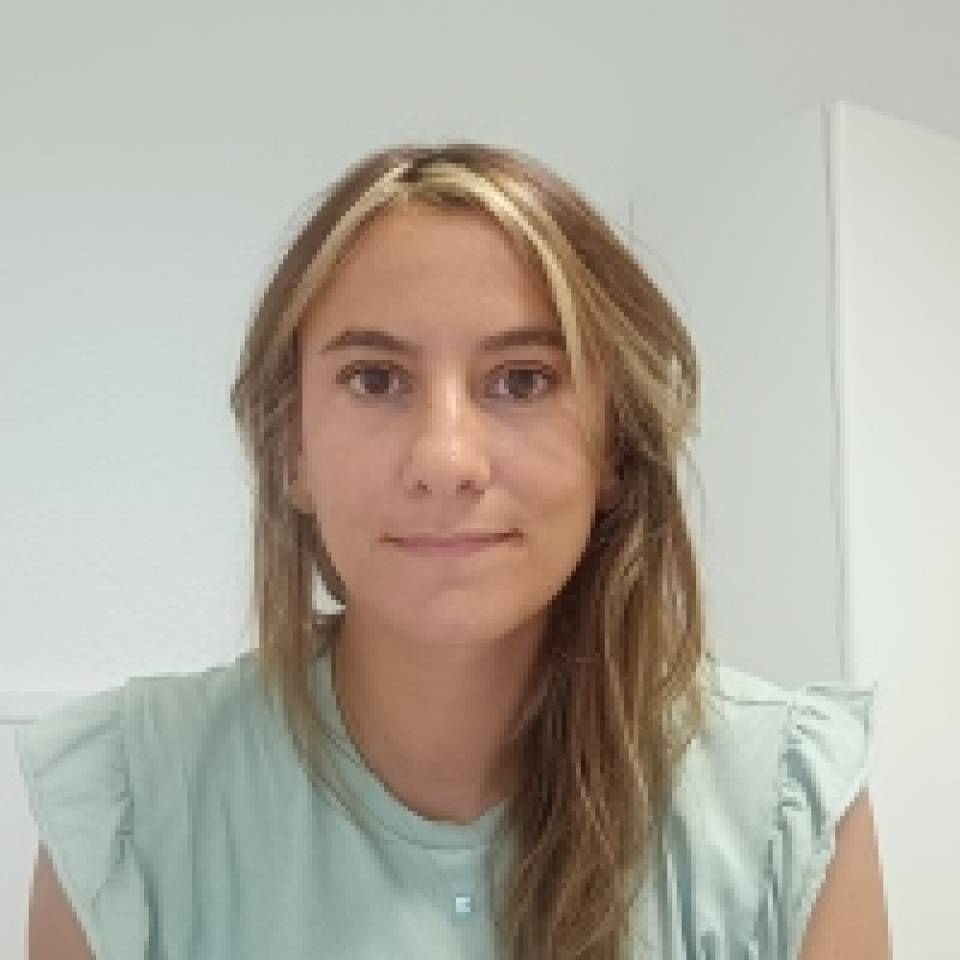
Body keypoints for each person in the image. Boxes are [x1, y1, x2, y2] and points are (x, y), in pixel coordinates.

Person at [16, 142, 891, 959]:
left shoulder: (784, 808)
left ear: (616, 450)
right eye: (375, 380)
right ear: (290, 451)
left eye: (523, 381)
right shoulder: (126, 811)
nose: (444, 459)